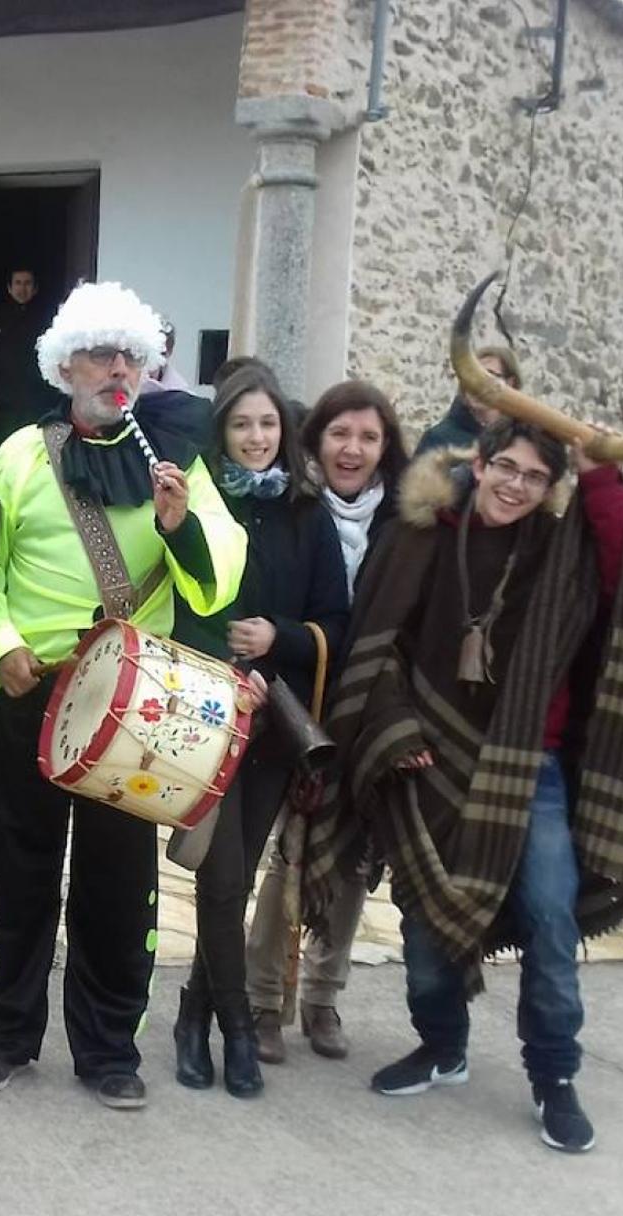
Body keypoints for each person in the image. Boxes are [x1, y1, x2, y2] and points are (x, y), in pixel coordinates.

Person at [298, 408, 623, 1155]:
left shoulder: (558, 550)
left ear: (549, 489)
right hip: (429, 755)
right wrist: (397, 729)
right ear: (482, 462)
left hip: (525, 766)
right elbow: (379, 647)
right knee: (425, 918)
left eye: (537, 478)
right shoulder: (425, 530)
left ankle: (555, 1076)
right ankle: (442, 1045)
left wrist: (599, 466)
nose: (517, 486)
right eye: (507, 468)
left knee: (550, 916)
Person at [0, 282, 250, 1111]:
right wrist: (0, 644)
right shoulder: (18, 455)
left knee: (120, 887)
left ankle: (110, 1051)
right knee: (20, 877)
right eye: (98, 353)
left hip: (136, 709)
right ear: (64, 365)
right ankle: (5, 1039)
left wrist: (176, 526)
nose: (115, 368)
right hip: (32, 694)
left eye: (128, 354)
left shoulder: (177, 462)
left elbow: (217, 576)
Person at [170, 363, 348, 1099]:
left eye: (267, 424)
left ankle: (191, 1012)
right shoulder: (199, 502)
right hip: (211, 714)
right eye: (241, 424)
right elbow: (179, 608)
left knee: (239, 878)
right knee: (220, 873)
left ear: (286, 431)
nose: (255, 436)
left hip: (273, 722)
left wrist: (277, 637)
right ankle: (237, 1029)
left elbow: (336, 622)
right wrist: (221, 664)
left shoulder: (309, 516)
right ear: (223, 432)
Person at [242, 379, 411, 1065]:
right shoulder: (294, 509)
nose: (353, 449)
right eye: (340, 433)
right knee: (288, 858)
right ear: (315, 440)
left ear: (385, 448)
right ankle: (261, 1001)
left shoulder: (405, 525)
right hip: (293, 704)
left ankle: (323, 995)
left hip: (370, 709)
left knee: (353, 863)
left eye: (368, 437)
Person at [0, 267, 60, 453]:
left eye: (27, 283)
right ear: (9, 288)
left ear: (35, 288)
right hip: (2, 402)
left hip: (37, 401)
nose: (22, 288)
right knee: (2, 449)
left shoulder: (48, 320)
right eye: (17, 283)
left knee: (34, 450)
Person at [414, 346, 520, 455]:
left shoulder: (520, 439)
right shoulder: (437, 440)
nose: (476, 383)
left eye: (489, 375)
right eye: (471, 374)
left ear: (509, 383)